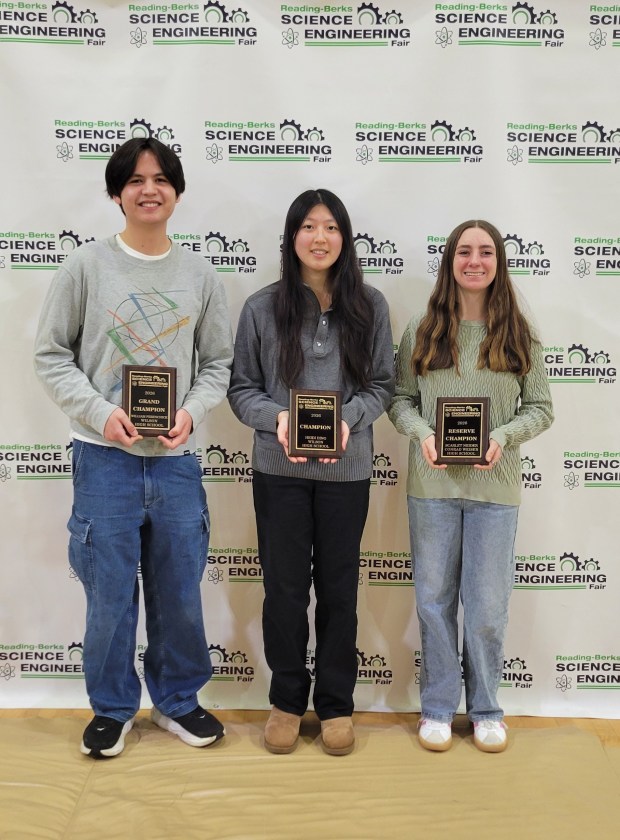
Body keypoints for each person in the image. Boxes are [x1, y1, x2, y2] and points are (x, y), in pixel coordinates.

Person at [34, 138, 234, 758]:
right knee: (111, 593)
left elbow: (219, 363)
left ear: (176, 190)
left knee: (178, 591)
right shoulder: (85, 268)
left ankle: (178, 702)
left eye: (162, 179)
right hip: (103, 459)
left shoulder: (200, 274)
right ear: (117, 192)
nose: (150, 189)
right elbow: (50, 355)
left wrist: (192, 412)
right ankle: (114, 709)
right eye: (136, 180)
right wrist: (100, 412)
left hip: (174, 463)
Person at [228, 189, 394, 756]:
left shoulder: (370, 306)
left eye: (330, 227)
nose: (319, 237)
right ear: (292, 236)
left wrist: (347, 420)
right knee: (284, 591)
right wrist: (277, 419)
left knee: (340, 592)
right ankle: (285, 701)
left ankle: (336, 705)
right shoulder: (259, 307)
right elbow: (241, 390)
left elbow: (383, 387)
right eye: (307, 227)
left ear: (344, 239)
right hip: (279, 470)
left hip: (347, 474)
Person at [388, 220, 553, 754]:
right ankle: (437, 707)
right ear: (450, 262)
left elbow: (542, 408)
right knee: (434, 603)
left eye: (486, 252)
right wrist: (423, 434)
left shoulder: (519, 333)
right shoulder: (422, 328)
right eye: (465, 251)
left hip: (495, 493)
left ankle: (485, 709)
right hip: (431, 487)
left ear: (499, 262)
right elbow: (400, 401)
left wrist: (503, 435)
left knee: (485, 607)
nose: (475, 261)